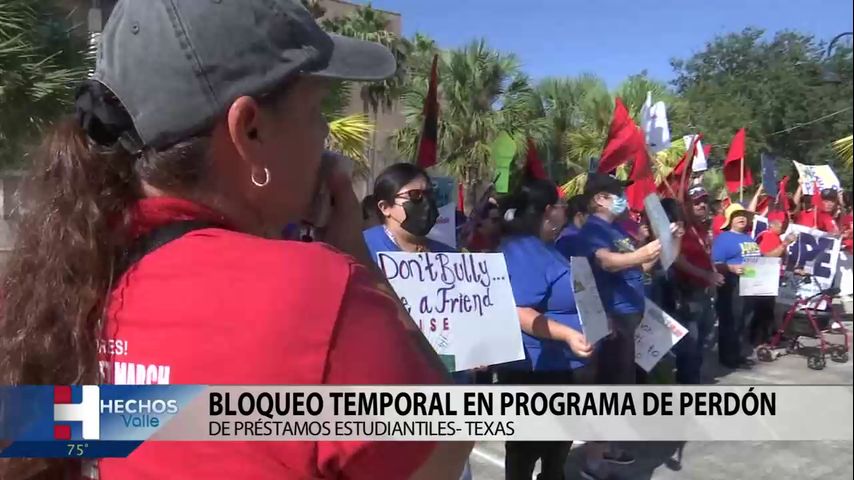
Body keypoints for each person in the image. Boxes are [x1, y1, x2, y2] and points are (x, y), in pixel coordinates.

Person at [0, 2, 472, 479]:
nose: (325, 134)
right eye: (315, 110)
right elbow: (444, 451)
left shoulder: (58, 280)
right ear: (249, 130)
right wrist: (355, 252)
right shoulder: (320, 295)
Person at [495, 178, 598, 480]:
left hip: (560, 366)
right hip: (534, 369)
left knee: (556, 451)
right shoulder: (523, 250)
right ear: (550, 210)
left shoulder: (547, 247)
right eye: (563, 205)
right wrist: (568, 334)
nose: (566, 211)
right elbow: (519, 312)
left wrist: (599, 322)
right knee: (526, 453)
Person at [578, 173, 661, 385]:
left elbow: (639, 266)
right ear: (600, 199)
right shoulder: (593, 229)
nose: (624, 197)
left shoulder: (617, 229)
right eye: (618, 193)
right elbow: (605, 261)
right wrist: (641, 254)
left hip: (632, 312)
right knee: (617, 379)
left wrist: (665, 244)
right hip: (615, 315)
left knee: (630, 375)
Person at [673, 186, 724, 384]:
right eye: (696, 202)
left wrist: (711, 276)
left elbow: (705, 256)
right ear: (686, 205)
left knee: (705, 340)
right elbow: (678, 260)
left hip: (704, 293)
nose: (702, 205)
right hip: (689, 293)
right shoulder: (681, 230)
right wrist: (705, 275)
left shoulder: (701, 229)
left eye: (704, 201)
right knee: (690, 344)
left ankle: (693, 379)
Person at [711, 203, 762, 369]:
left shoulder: (749, 238)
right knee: (730, 321)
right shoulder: (724, 238)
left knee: (744, 321)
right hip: (732, 286)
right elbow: (715, 264)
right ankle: (728, 357)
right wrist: (731, 268)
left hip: (751, 285)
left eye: (743, 215)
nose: (741, 218)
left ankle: (738, 353)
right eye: (736, 215)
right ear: (730, 220)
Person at [753, 210, 796, 346]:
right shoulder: (769, 236)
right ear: (772, 225)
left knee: (769, 310)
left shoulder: (773, 236)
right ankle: (761, 339)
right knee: (764, 311)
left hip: (768, 277)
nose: (783, 227)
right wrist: (785, 244)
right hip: (764, 278)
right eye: (780, 224)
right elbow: (767, 256)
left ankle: (769, 336)